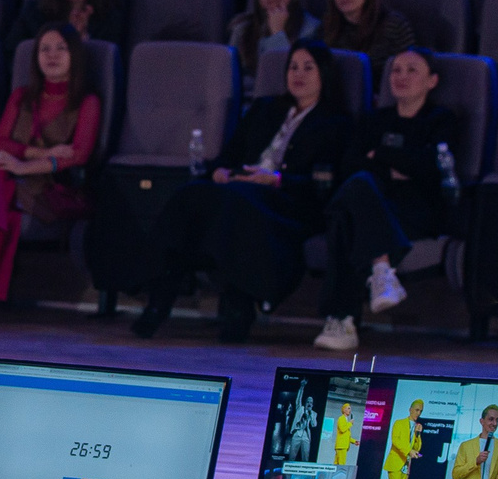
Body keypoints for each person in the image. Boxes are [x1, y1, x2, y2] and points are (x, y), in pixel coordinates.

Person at [133, 41, 354, 343]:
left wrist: (276, 179)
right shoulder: (265, 109)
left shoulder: (336, 123)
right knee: (190, 194)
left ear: (324, 74)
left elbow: (325, 183)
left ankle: (238, 304)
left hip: (289, 200)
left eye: (308, 68)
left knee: (235, 204)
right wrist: (219, 171)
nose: (298, 74)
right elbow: (230, 154)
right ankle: (161, 295)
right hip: (240, 191)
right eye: (293, 67)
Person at [0, 24, 101, 323]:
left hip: (48, 187)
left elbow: (79, 154)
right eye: (44, 49)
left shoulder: (86, 102)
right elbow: (1, 142)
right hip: (11, 176)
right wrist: (39, 154)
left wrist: (26, 165)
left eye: (60, 48)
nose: (51, 55)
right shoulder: (22, 96)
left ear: (74, 55)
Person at [312, 46, 462, 353]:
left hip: (416, 208)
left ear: (431, 80)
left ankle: (342, 318)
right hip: (377, 203)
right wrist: (396, 166)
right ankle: (381, 271)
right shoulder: (373, 120)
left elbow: (431, 169)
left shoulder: (441, 120)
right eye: (395, 70)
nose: (401, 77)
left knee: (349, 212)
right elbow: (350, 165)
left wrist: (379, 155)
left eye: (412, 70)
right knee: (356, 194)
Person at [228, 0, 319, 97]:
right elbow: (229, 79)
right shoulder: (242, 29)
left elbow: (285, 80)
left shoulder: (312, 29)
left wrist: (277, 33)